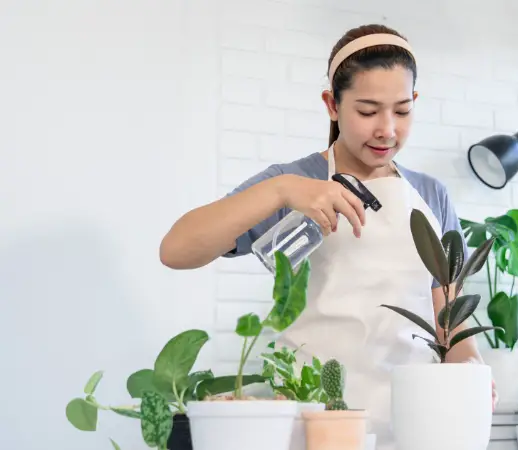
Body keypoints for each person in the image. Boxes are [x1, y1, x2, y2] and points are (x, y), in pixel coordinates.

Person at [159, 23, 497, 448]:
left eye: (402, 110)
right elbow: (176, 250)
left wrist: (471, 370)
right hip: (312, 420)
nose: (387, 129)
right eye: (368, 110)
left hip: (413, 421)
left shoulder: (431, 195)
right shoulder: (295, 181)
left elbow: (448, 317)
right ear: (332, 105)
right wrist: (280, 191)